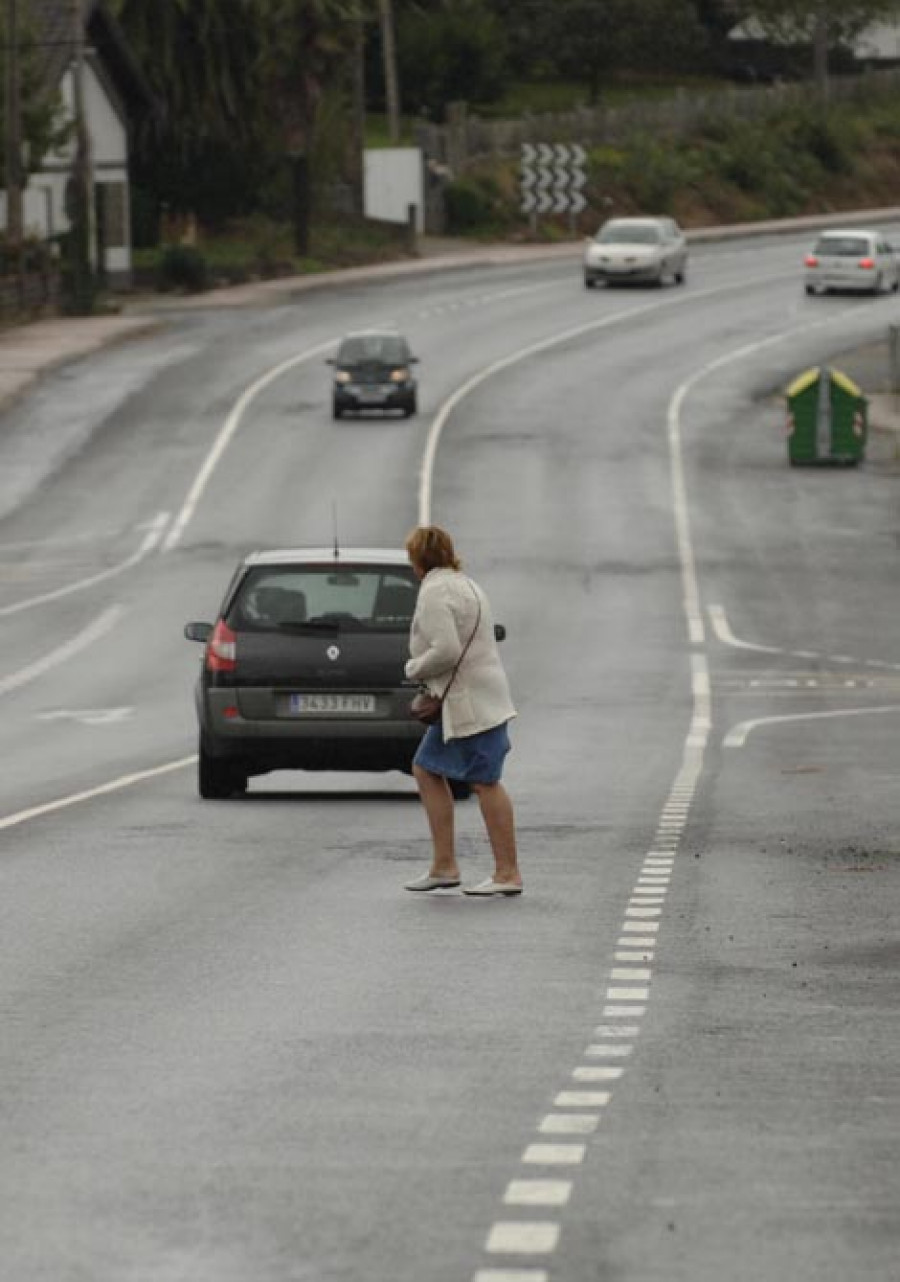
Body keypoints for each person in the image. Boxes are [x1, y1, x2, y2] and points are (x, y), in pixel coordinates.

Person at [403, 526, 522, 897]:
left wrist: (413, 667)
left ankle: (507, 873)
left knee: (485, 781)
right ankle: (444, 866)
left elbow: (447, 649)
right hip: (471, 699)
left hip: (473, 703)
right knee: (426, 768)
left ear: (417, 561)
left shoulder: (434, 592)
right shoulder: (466, 584)